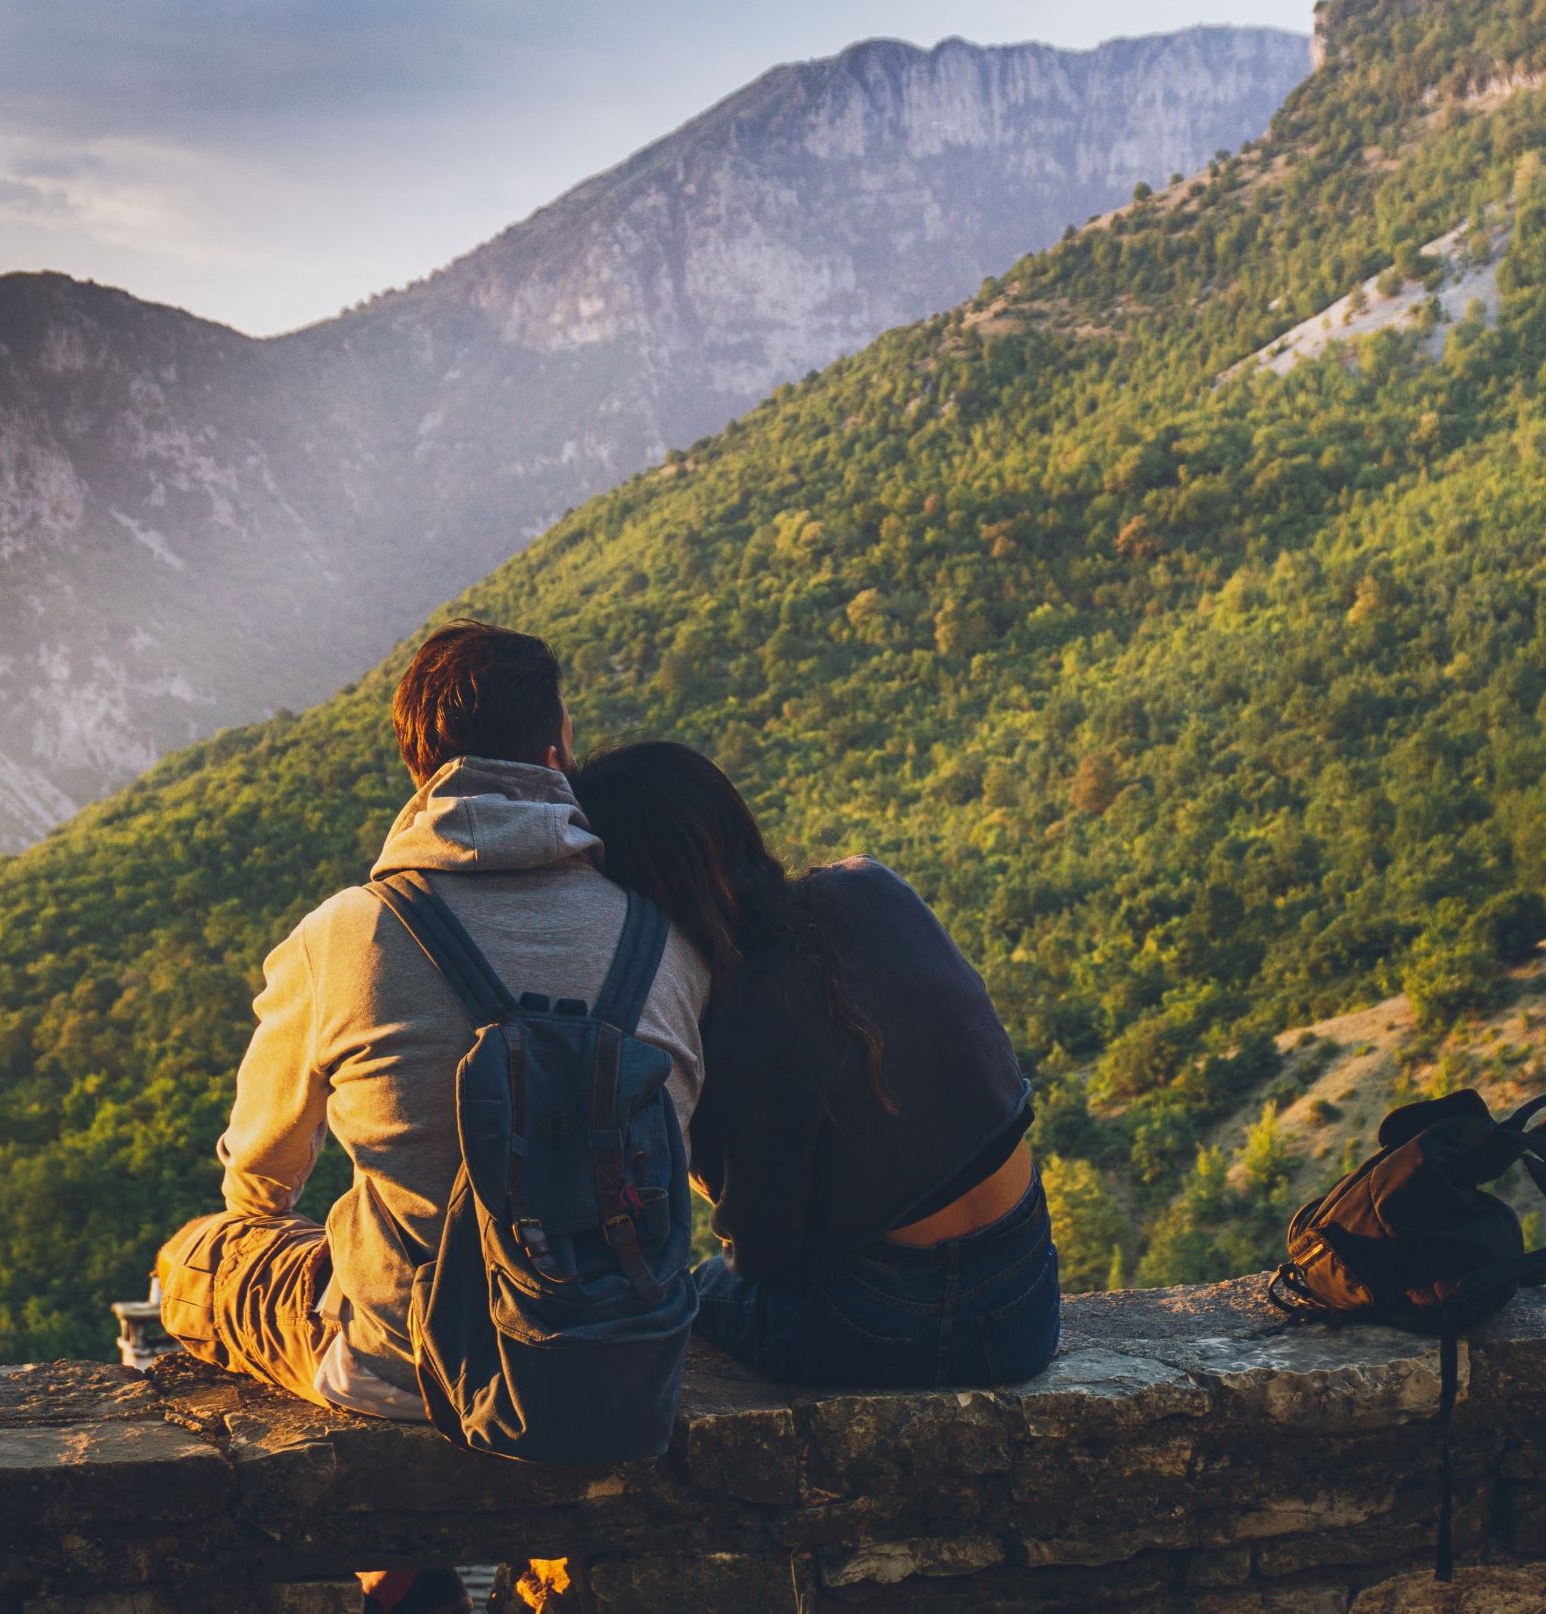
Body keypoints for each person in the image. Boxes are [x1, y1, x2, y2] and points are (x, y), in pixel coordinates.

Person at [152, 624, 709, 1614]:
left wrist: (286, 1209)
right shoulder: (658, 937)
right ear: (556, 754)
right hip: (609, 1353)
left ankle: (398, 1577)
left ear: (417, 768)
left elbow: (260, 1171)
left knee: (194, 1255)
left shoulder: (344, 932)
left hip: (396, 1362)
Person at [571, 740, 1059, 1388]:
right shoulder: (869, 885)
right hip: (1029, 1293)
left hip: (888, 1318)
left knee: (693, 1292)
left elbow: (766, 1254)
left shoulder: (740, 1011)